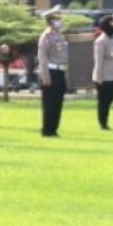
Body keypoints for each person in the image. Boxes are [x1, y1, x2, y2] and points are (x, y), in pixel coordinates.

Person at [37, 9, 69, 137]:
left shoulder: (60, 35)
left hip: (60, 71)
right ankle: (47, 130)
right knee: (50, 103)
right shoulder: (46, 36)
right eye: (57, 19)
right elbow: (42, 56)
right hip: (51, 71)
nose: (59, 21)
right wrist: (45, 76)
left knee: (58, 102)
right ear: (50, 21)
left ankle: (54, 128)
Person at [92, 16, 113, 131]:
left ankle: (105, 121)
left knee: (110, 98)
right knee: (103, 101)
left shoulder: (111, 40)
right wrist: (99, 78)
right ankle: (103, 123)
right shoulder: (100, 41)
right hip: (103, 77)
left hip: (112, 76)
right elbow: (98, 61)